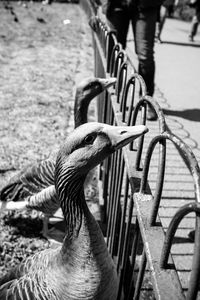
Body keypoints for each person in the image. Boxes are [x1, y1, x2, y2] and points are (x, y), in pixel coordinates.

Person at [96, 0, 163, 120]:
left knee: (145, 55)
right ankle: (115, 95)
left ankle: (146, 100)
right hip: (117, 4)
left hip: (146, 5)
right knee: (115, 52)